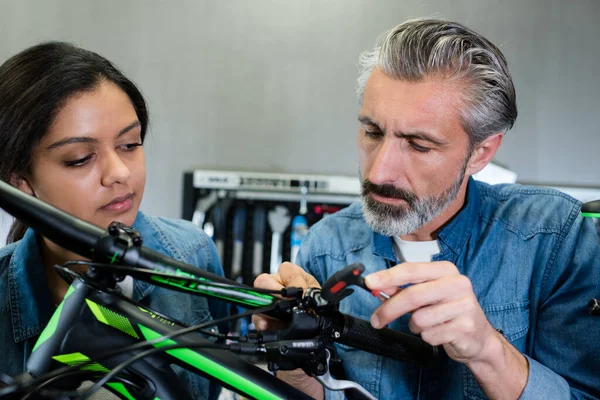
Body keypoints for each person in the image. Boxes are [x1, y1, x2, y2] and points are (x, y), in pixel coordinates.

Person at [255, 18, 600, 399]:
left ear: (480, 152)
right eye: (372, 132)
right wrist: (292, 359)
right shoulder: (327, 246)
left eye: (419, 145)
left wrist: (488, 351)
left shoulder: (555, 240)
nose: (379, 170)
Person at [0, 42, 228, 399]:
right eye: (79, 158)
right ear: (21, 184)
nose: (119, 173)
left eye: (130, 144)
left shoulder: (192, 253)